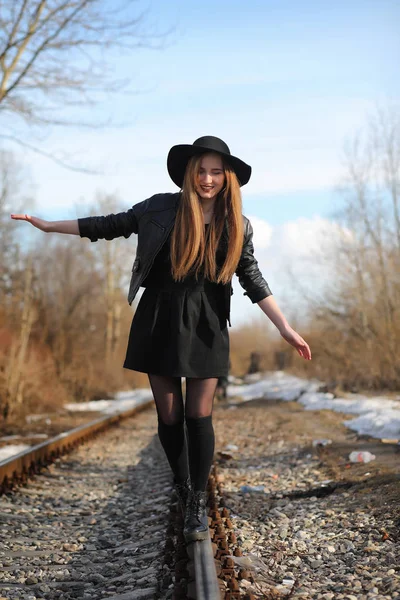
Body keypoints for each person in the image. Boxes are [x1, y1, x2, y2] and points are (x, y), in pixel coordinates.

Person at [11, 135, 312, 542]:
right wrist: (48, 226)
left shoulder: (236, 224)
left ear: (227, 178)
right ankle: (184, 483)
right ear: (190, 173)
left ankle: (196, 502)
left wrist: (284, 327)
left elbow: (252, 277)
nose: (207, 179)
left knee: (198, 414)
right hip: (159, 317)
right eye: (201, 171)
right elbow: (109, 225)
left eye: (216, 172)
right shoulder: (159, 208)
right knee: (169, 417)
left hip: (207, 323)